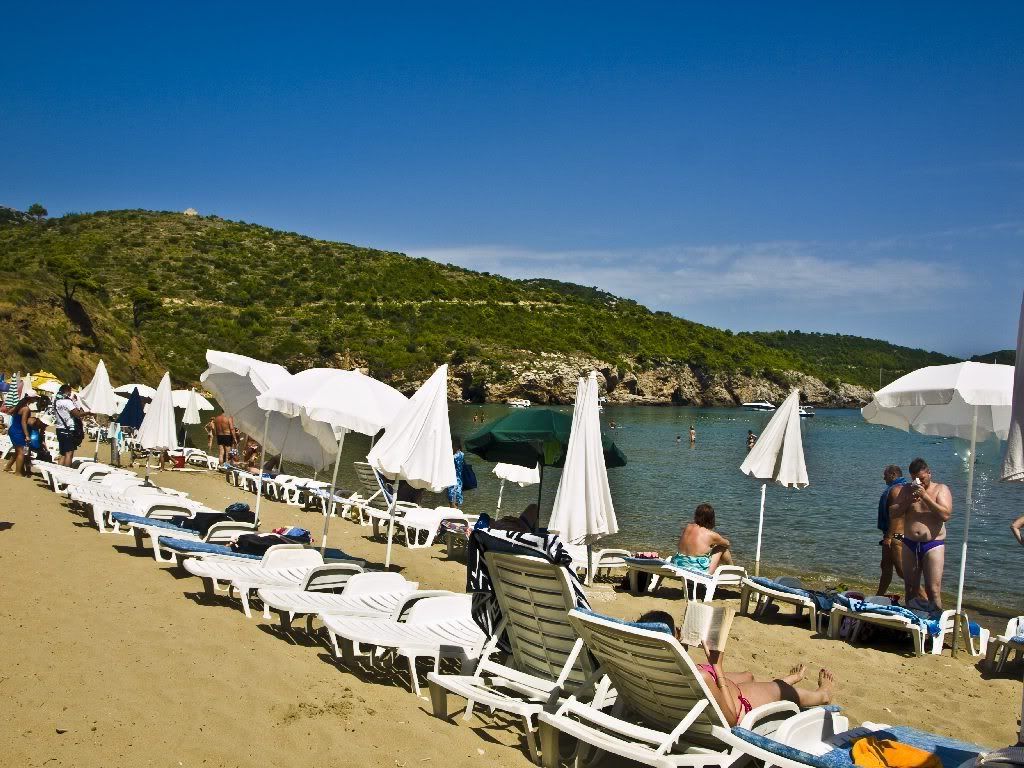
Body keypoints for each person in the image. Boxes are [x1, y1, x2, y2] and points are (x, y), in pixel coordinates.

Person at [636, 610, 835, 725]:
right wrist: (717, 666)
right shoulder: (700, 677)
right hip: (738, 705)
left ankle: (784, 681)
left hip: (704, 698)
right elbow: (730, 719)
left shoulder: (640, 668)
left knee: (749, 677)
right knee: (779, 690)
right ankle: (822, 694)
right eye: (678, 631)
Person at [892, 457, 952, 610]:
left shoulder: (941, 489)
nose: (919, 483)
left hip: (933, 544)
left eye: (922, 479)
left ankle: (936, 619)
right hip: (909, 543)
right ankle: (911, 619)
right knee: (910, 587)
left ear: (929, 473)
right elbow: (894, 513)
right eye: (915, 479)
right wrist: (907, 501)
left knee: (933, 589)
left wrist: (925, 497)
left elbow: (945, 515)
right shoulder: (907, 489)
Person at [672, 503, 734, 574]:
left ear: (696, 515)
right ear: (711, 519)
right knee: (721, 548)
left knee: (708, 550)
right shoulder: (711, 535)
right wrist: (716, 543)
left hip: (679, 564)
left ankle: (731, 570)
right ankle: (733, 570)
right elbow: (727, 544)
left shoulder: (688, 527)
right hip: (698, 571)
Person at [876, 464, 909, 596]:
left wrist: (889, 537)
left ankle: (926, 600)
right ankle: (878, 596)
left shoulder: (897, 490)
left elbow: (897, 516)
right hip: (889, 534)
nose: (884, 478)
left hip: (897, 536)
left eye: (886, 475)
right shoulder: (896, 488)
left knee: (902, 571)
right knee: (885, 566)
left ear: (893, 474)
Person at [53, 384, 88, 467]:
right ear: (67, 391)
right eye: (70, 392)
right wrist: (89, 412)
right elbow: (78, 414)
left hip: (59, 428)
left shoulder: (56, 401)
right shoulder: (68, 402)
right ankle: (66, 471)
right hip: (68, 430)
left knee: (62, 453)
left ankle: (59, 471)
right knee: (69, 453)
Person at [3, 394, 37, 476]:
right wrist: (27, 435)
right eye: (35, 398)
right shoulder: (26, 408)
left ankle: (8, 466)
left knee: (17, 450)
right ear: (31, 398)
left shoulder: (19, 406)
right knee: (21, 452)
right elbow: (23, 422)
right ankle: (18, 472)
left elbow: (9, 412)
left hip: (13, 429)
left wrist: (16, 418)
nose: (36, 399)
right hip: (18, 431)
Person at [447, 437, 465, 508]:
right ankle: (455, 508)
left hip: (454, 479)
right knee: (455, 496)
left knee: (452, 496)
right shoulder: (461, 454)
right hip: (458, 479)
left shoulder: (456, 456)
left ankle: (453, 509)